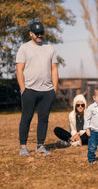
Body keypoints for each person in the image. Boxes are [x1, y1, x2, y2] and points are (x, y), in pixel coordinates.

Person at [16, 21, 58, 156]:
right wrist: (23, 89)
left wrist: (54, 89)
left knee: (43, 118)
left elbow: (54, 69)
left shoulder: (50, 48)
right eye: (37, 33)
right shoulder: (24, 48)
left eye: (41, 33)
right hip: (30, 90)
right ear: (31, 33)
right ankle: (23, 147)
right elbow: (19, 69)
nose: (40, 35)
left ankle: (40, 146)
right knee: (26, 118)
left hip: (47, 91)